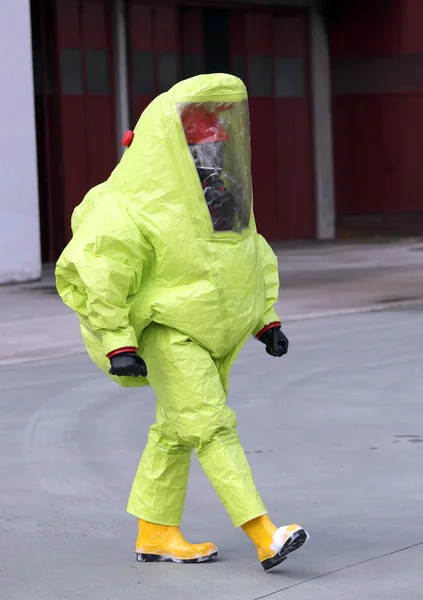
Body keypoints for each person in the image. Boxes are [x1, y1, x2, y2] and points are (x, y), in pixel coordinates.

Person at [56, 73, 309, 572]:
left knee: (173, 433)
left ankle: (155, 533)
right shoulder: (133, 204)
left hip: (216, 332)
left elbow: (245, 255)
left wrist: (265, 320)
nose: (212, 146)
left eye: (216, 137)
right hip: (170, 332)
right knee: (212, 427)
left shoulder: (218, 198)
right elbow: (100, 271)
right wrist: (117, 341)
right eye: (200, 138)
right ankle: (264, 534)